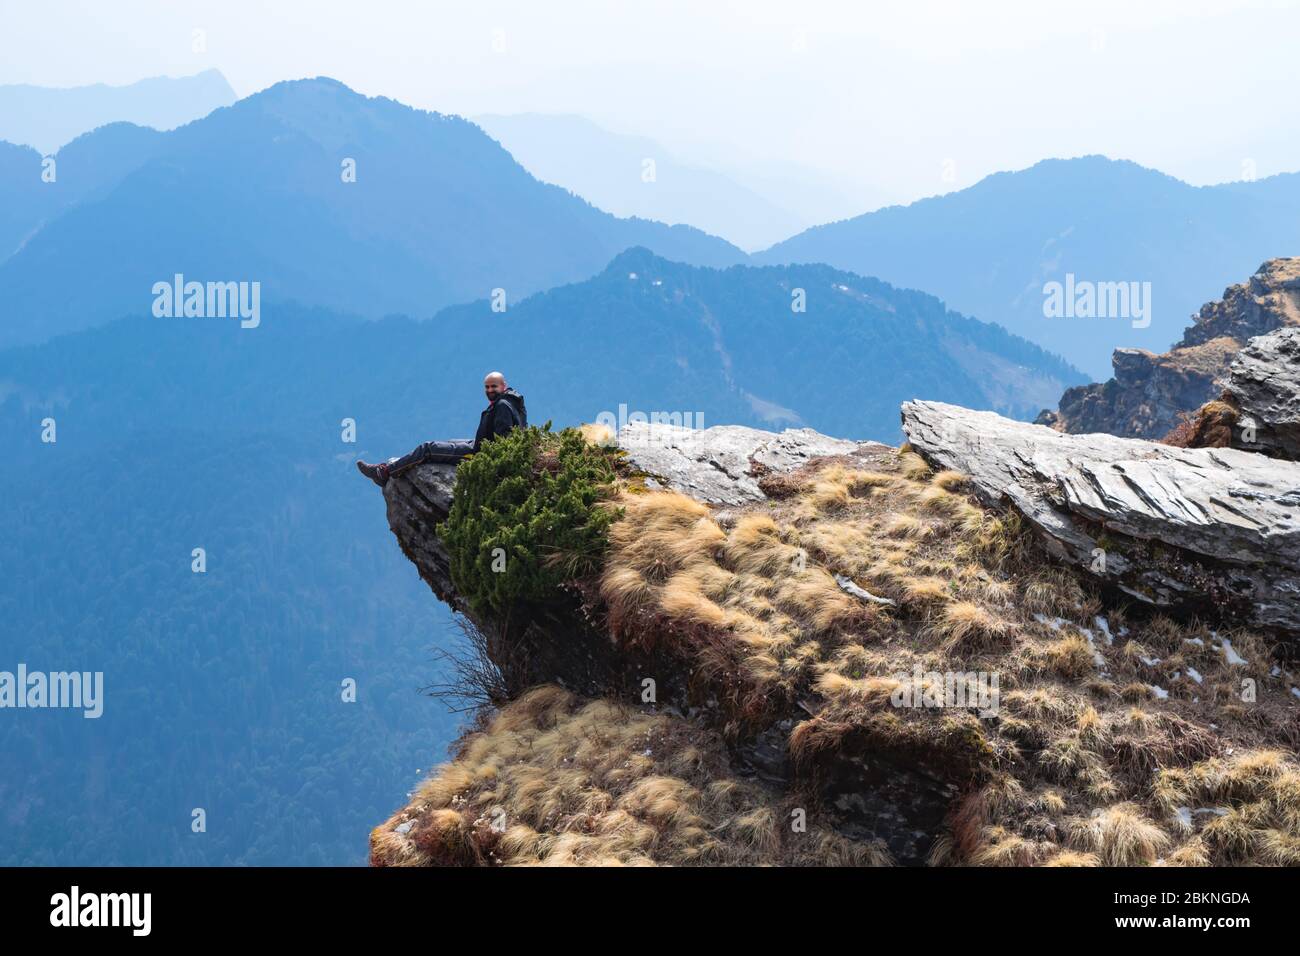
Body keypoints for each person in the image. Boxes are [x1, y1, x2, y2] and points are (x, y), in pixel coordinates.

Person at [356, 371, 527, 487]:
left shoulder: (502, 406)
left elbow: (503, 441)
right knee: (450, 443)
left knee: (429, 448)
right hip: (481, 445)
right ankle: (398, 463)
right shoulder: (514, 402)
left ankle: (385, 471)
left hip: (480, 454)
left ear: (503, 386)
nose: (489, 390)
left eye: (494, 387)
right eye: (487, 387)